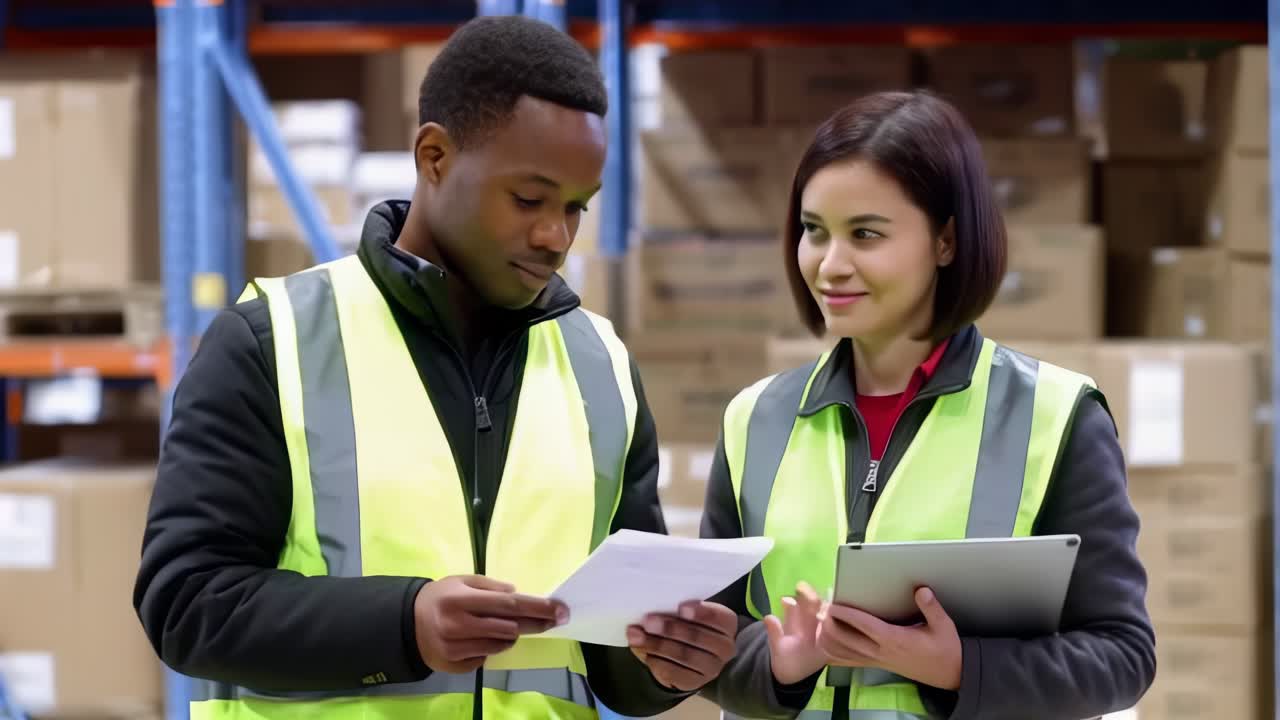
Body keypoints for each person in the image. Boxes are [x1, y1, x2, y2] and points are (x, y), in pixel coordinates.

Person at [133, 15, 739, 720]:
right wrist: (403, 622)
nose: (555, 236)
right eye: (529, 199)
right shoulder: (273, 341)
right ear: (434, 157)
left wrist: (670, 663)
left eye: (576, 208)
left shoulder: (600, 367)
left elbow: (610, 661)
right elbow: (184, 602)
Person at [698, 91, 1156, 720]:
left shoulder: (1057, 418)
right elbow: (707, 641)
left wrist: (957, 667)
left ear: (945, 240)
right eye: (814, 232)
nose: (830, 265)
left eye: (865, 234)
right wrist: (779, 666)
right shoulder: (755, 419)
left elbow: (1121, 656)